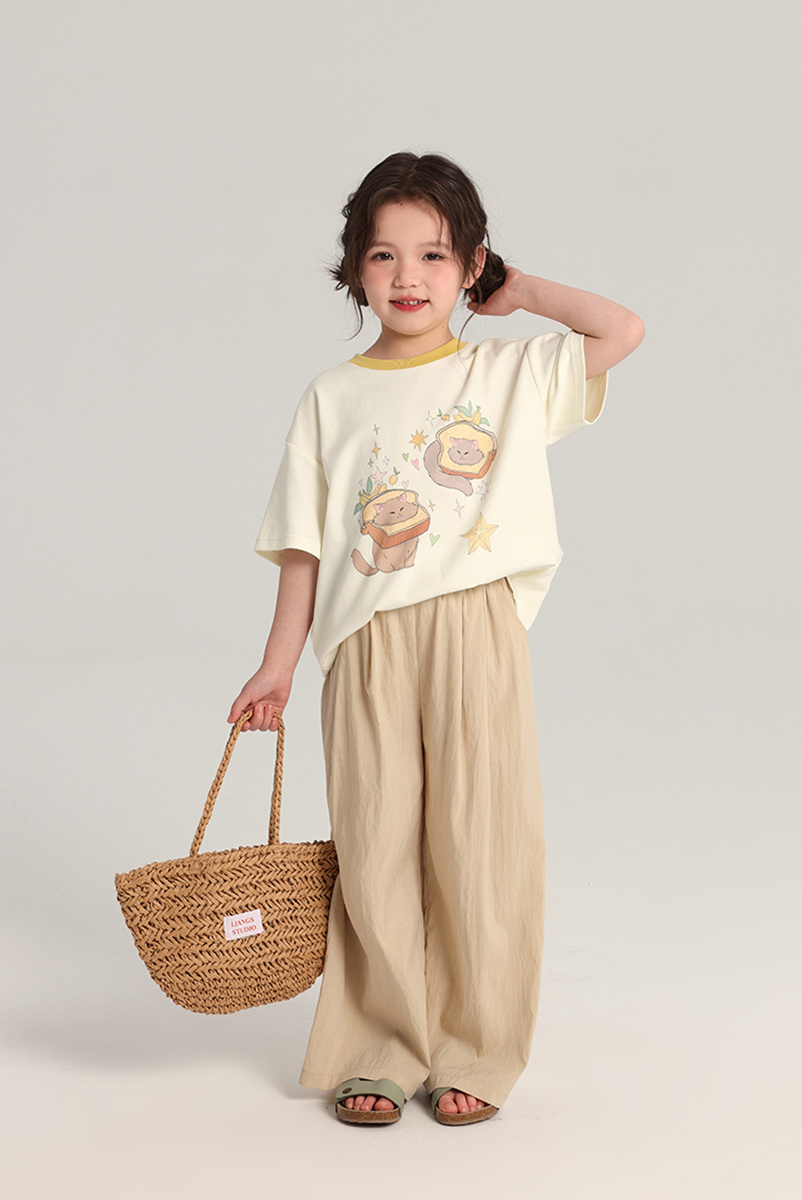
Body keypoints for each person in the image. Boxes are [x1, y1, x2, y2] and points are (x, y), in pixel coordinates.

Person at [228, 151, 643, 1126]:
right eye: (384, 255)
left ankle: (475, 1047)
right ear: (355, 270)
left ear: (470, 268)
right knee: (375, 846)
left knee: (480, 840)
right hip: (366, 645)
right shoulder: (331, 397)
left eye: (434, 255)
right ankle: (378, 1046)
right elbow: (304, 544)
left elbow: (620, 330)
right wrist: (278, 664)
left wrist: (519, 291)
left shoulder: (506, 373)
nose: (408, 276)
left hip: (474, 631)